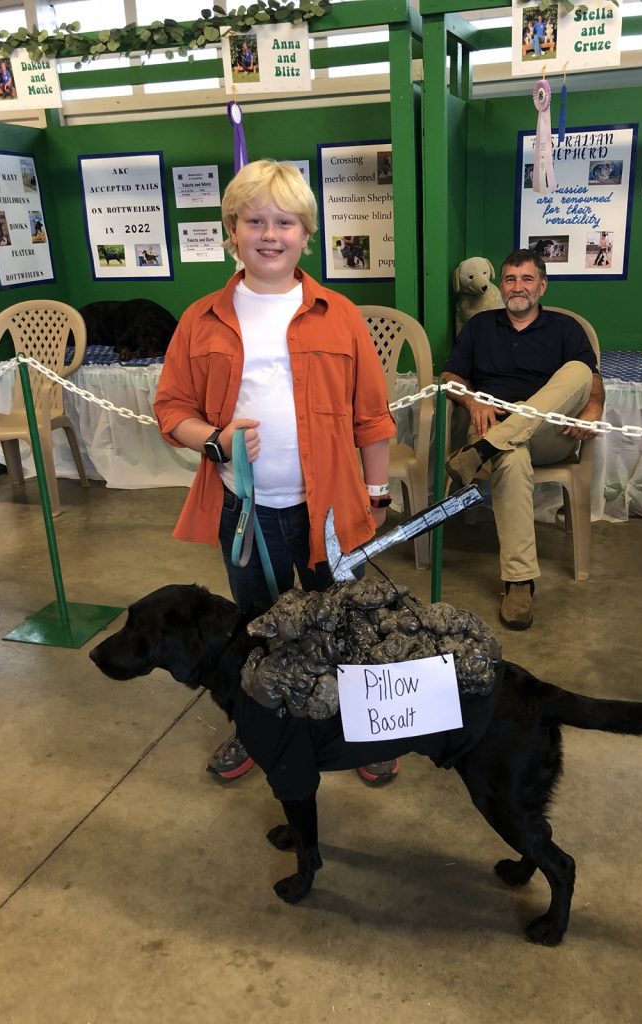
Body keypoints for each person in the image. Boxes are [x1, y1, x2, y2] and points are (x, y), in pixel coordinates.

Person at [154, 159, 400, 786]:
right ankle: (256, 724)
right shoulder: (201, 319)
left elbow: (372, 417)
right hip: (245, 513)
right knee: (256, 627)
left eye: (284, 222)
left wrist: (373, 496)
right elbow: (172, 408)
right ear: (231, 230)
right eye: (254, 220)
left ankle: (362, 727)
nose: (270, 234)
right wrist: (214, 440)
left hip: (330, 511)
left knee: (340, 619)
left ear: (306, 233)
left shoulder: (340, 313)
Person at [443, 248, 604, 631]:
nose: (518, 287)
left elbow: (590, 381)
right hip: (490, 422)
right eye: (511, 279)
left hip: (550, 433)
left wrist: (593, 410)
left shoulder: (566, 329)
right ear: (501, 285)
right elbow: (450, 377)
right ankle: (519, 583)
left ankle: (481, 451)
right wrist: (471, 399)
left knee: (579, 369)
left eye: (527, 279)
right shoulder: (480, 327)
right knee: (511, 455)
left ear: (542, 286)